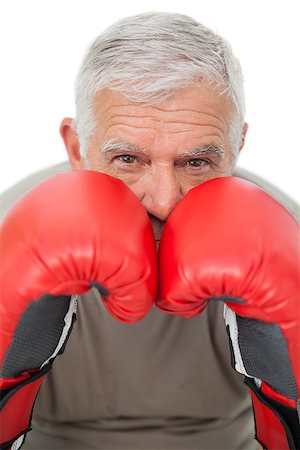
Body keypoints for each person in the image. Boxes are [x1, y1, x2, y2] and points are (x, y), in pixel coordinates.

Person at [0, 12, 299, 450]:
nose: (162, 200)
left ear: (236, 148)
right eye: (127, 159)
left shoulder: (286, 235)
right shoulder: (7, 228)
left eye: (195, 162)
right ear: (77, 148)